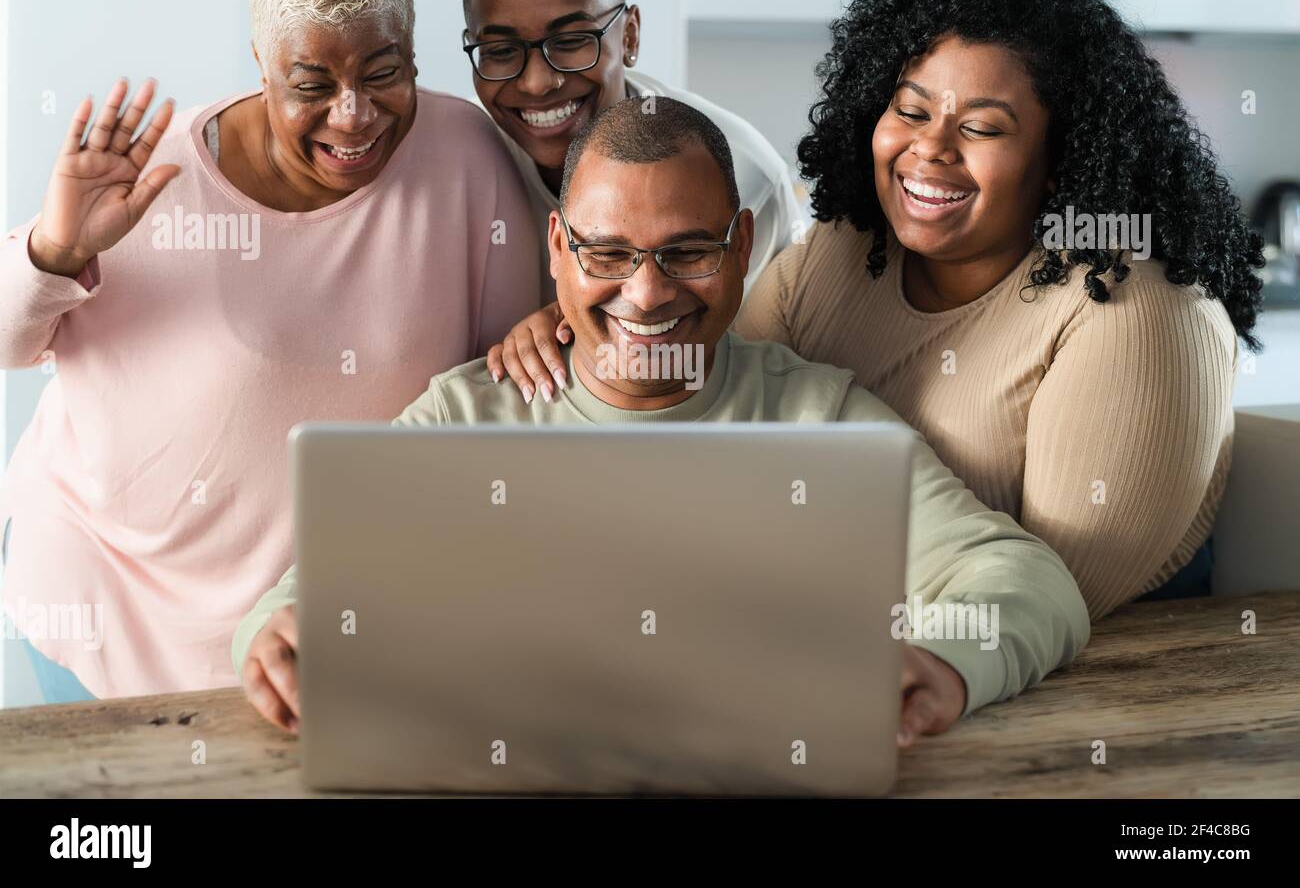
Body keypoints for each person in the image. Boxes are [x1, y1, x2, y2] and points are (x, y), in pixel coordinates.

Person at [234, 97, 1089, 749]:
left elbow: (1023, 580)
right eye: (608, 255)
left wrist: (941, 663)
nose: (646, 295)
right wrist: (278, 642)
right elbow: (301, 596)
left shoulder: (816, 419)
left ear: (743, 246)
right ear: (559, 249)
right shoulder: (463, 419)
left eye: (688, 252)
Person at [485, 0, 1267, 619]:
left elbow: (1047, 597)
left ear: (1067, 154)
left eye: (983, 128)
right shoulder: (843, 252)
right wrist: (572, 329)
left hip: (1096, 696)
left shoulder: (1137, 312)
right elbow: (714, 418)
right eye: (911, 110)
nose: (930, 152)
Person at [0, 0, 539, 704]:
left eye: (382, 74)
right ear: (262, 67)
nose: (352, 117)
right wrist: (54, 249)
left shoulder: (465, 160)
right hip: (101, 599)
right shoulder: (155, 179)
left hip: (313, 620)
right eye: (312, 85)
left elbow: (499, 396)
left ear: (416, 58)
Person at [461, 0, 805, 347]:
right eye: (500, 50)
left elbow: (752, 375)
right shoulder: (459, 163)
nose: (537, 83)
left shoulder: (741, 174)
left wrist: (582, 322)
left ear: (629, 36)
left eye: (571, 42)